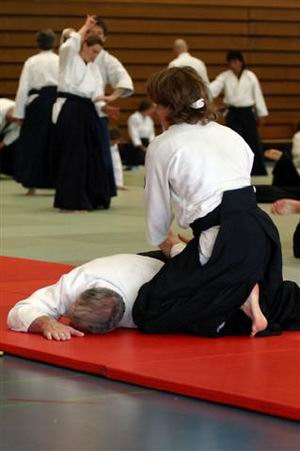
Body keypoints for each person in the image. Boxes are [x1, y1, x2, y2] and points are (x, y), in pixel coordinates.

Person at [132, 66, 300, 339]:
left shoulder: (163, 145)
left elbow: (158, 211)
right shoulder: (229, 134)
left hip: (222, 240)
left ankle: (238, 298)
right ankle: (247, 290)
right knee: (272, 298)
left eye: (157, 104)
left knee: (150, 308)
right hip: (262, 234)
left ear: (167, 107)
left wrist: (166, 241)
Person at [7, 246, 186, 340]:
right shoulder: (73, 285)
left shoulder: (148, 307)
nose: (70, 323)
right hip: (125, 264)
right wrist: (46, 323)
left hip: (164, 267)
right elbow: (19, 312)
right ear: (76, 301)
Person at [52, 16, 115, 212]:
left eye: (99, 52)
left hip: (88, 111)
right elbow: (68, 45)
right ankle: (70, 203)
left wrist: (106, 106)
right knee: (74, 156)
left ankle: (90, 198)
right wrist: (85, 27)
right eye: (94, 51)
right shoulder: (68, 59)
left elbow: (96, 94)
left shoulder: (94, 68)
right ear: (84, 45)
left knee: (90, 155)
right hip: (70, 108)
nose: (96, 55)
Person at [87, 16, 134, 194]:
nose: (96, 36)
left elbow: (124, 79)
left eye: (100, 33)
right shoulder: (75, 54)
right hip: (73, 109)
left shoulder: (107, 60)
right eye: (92, 32)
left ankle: (99, 191)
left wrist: (113, 96)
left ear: (105, 38)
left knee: (100, 153)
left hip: (97, 110)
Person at [13, 29, 59, 195]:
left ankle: (31, 185)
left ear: (38, 43)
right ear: (54, 43)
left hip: (37, 104)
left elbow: (23, 88)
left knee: (34, 143)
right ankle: (57, 182)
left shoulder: (31, 62)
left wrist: (19, 114)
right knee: (55, 141)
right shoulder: (60, 60)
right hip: (57, 102)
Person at [210, 50, 268, 176]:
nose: (233, 64)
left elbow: (257, 95)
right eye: (230, 62)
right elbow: (212, 89)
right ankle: (235, 171)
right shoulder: (225, 76)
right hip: (233, 113)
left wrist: (261, 113)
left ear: (241, 62)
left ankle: (257, 171)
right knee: (234, 141)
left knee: (253, 141)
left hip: (247, 112)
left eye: (235, 61)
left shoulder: (250, 76)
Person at [126, 99, 156, 168]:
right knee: (137, 165)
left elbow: (151, 133)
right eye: (152, 108)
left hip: (147, 143)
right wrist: (141, 147)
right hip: (136, 146)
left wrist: (151, 145)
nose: (153, 111)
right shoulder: (134, 117)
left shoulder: (149, 119)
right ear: (147, 108)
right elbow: (133, 134)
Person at [0, 98, 20, 177]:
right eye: (13, 119)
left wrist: (3, 143)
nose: (14, 120)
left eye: (15, 120)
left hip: (4, 130)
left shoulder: (20, 115)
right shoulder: (2, 109)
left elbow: (16, 131)